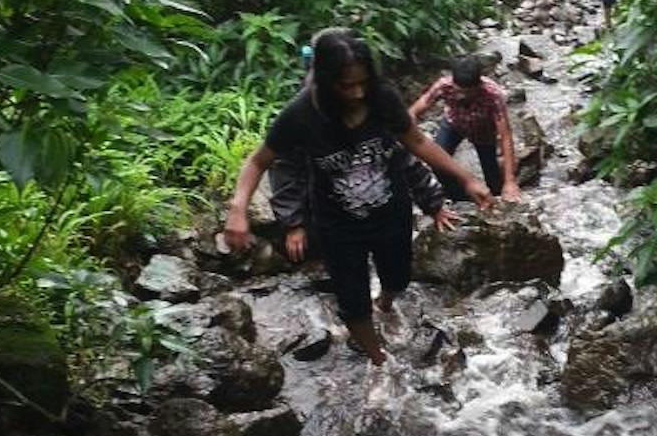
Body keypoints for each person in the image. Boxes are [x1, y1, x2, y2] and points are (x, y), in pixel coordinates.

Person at [223, 28, 493, 366]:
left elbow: (417, 142)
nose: (356, 93)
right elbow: (259, 161)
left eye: (362, 82)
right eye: (345, 85)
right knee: (352, 300)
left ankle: (386, 301)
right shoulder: (302, 114)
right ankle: (378, 360)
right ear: (323, 79)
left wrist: (467, 179)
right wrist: (239, 209)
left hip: (391, 213)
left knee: (397, 278)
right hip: (337, 224)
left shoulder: (382, 98)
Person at [408, 56, 522, 204]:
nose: (462, 96)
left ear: (479, 85)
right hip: (453, 124)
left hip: (483, 132)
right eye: (459, 91)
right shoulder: (444, 86)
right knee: (438, 162)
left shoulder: (493, 94)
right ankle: (458, 198)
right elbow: (418, 107)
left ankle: (494, 198)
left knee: (493, 179)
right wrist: (407, 128)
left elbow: (505, 135)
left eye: (469, 93)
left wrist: (510, 181)